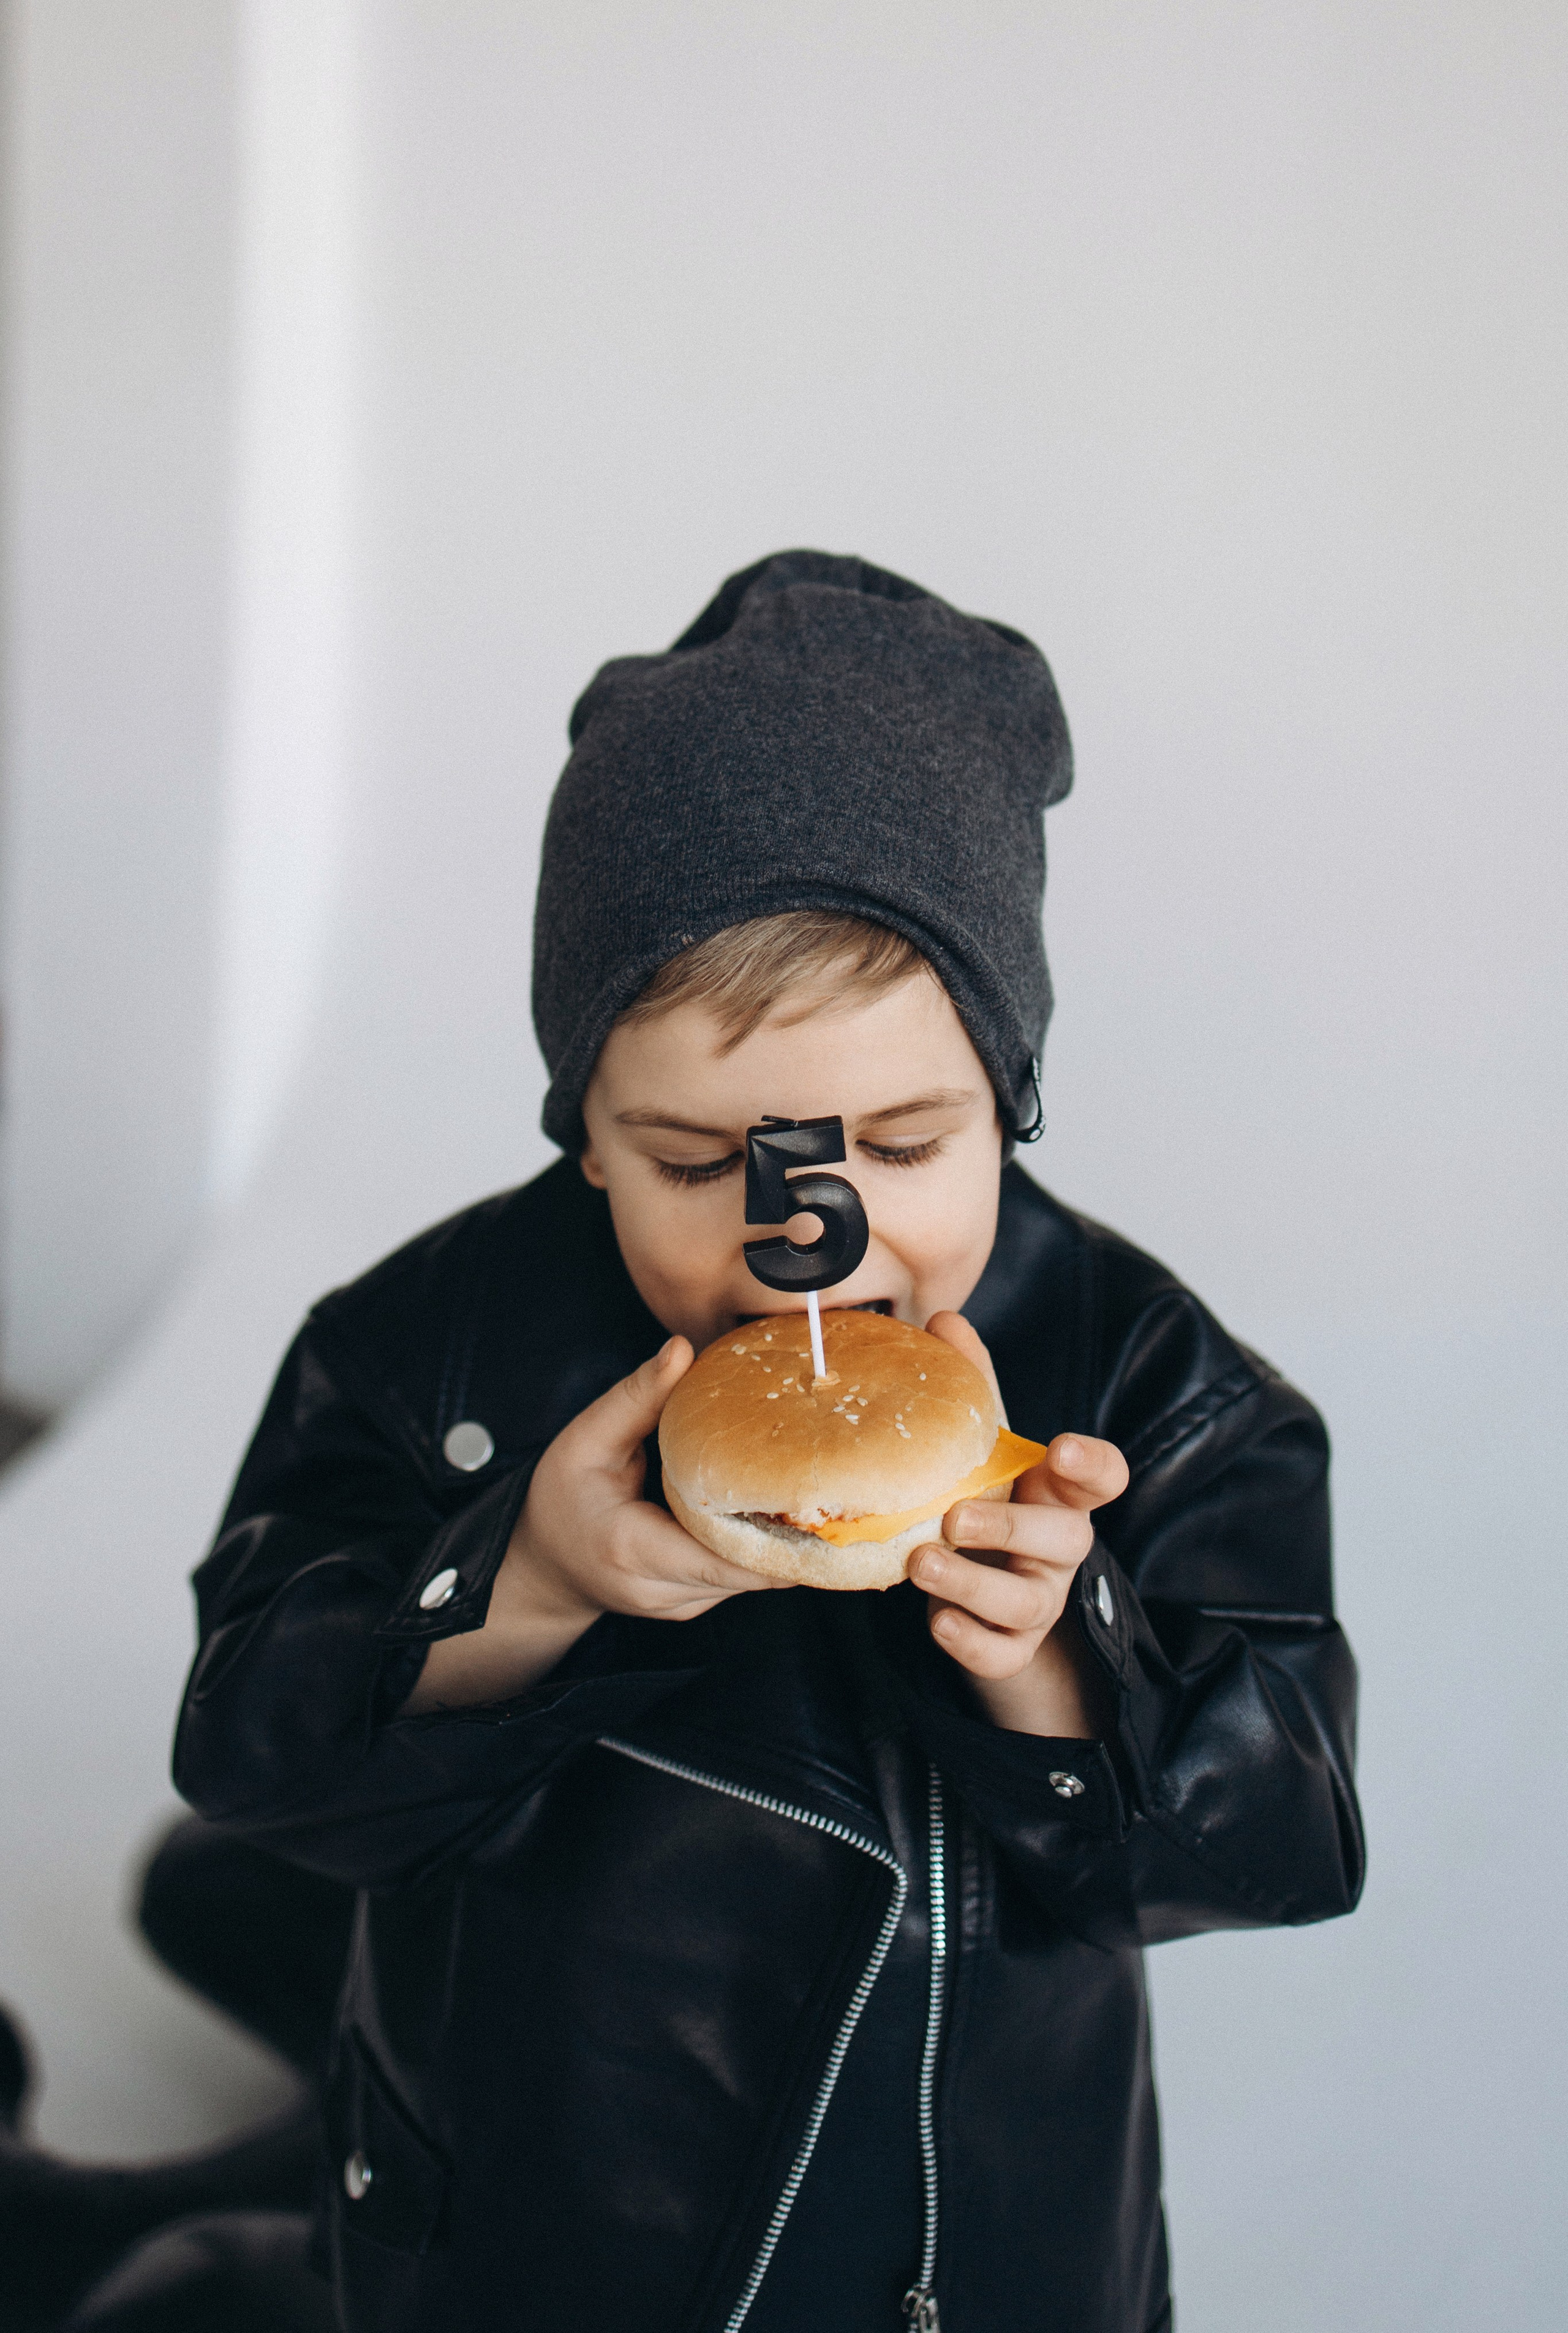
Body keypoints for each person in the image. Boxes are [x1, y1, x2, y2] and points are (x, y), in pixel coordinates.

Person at [170, 551, 1363, 2333]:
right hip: (512, 2240)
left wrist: (1060, 1660)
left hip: (964, 2265)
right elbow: (253, 1756)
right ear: (587, 1128)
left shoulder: (1153, 1383)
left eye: (901, 1142)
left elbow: (1281, 1849)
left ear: (1006, 1094)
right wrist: (531, 1578)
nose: (812, 1230)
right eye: (686, 1158)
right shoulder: (427, 1347)